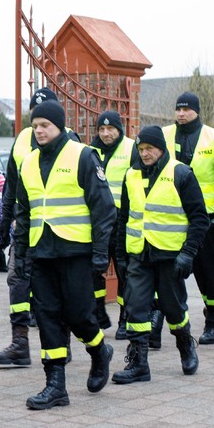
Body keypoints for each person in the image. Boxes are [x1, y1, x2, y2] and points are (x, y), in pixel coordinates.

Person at [13, 98, 116, 409]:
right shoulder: (28, 162)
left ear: (59, 126)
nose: (39, 131)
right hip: (42, 252)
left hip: (75, 251)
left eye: (45, 125)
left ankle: (99, 351)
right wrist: (21, 254)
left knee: (79, 315)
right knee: (46, 316)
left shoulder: (83, 155)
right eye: (35, 126)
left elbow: (104, 209)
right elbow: (24, 212)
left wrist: (100, 253)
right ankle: (55, 384)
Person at [111, 126, 209, 384]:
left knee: (173, 308)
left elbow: (200, 218)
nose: (144, 153)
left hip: (170, 257)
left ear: (162, 149)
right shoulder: (131, 175)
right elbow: (124, 218)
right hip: (139, 254)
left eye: (150, 149)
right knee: (135, 307)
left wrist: (188, 253)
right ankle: (138, 364)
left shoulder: (180, 173)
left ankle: (185, 345)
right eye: (141, 149)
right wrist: (120, 256)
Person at [0, 87, 65, 369]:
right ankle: (20, 342)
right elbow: (11, 183)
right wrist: (4, 223)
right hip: (25, 226)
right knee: (17, 280)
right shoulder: (21, 139)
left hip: (57, 231)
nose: (38, 122)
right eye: (34, 113)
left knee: (56, 288)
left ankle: (63, 342)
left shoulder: (71, 143)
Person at [163, 92, 214, 345]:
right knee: (166, 270)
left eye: (186, 109)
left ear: (196, 111)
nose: (181, 113)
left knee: (207, 274)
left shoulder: (213, 137)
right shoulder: (164, 135)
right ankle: (158, 321)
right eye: (178, 109)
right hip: (171, 214)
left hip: (205, 218)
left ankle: (213, 321)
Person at [91, 110, 136, 340]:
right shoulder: (90, 151)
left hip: (121, 220)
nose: (106, 133)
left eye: (110, 129)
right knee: (93, 269)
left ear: (119, 130)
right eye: (102, 129)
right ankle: (98, 312)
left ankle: (124, 318)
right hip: (97, 221)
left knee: (123, 271)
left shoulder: (131, 148)